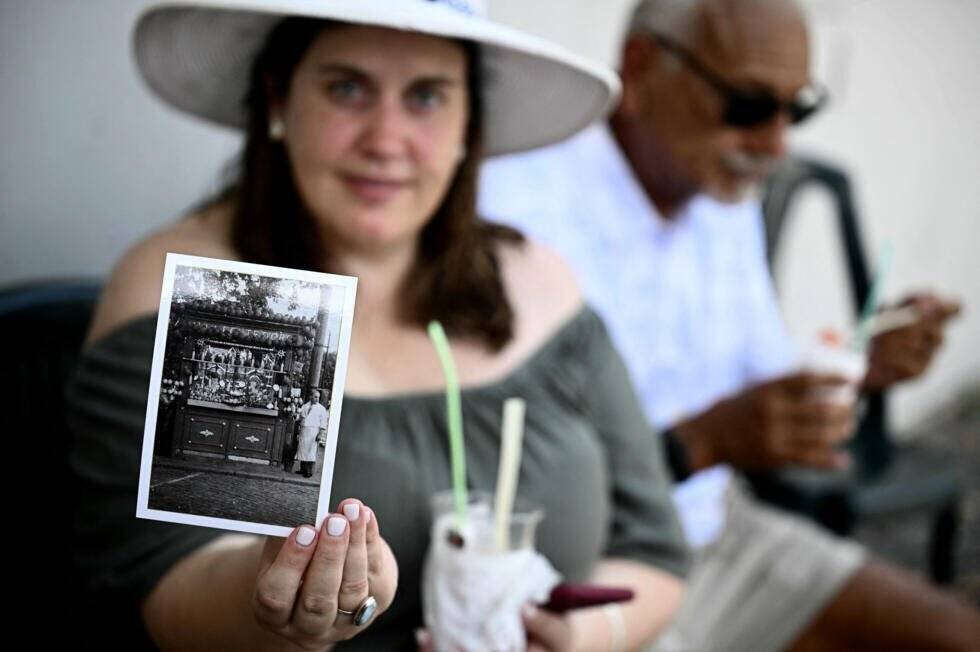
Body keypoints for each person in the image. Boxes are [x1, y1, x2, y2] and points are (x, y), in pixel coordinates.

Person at [68, 0, 689, 649]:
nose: (386, 140)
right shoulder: (226, 289)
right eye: (346, 88)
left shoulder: (534, 279)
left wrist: (579, 637)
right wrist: (292, 606)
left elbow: (653, 548)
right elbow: (166, 583)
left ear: (466, 125)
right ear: (279, 98)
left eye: (425, 97)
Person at [479, 0, 978, 650]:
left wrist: (865, 363)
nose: (776, 144)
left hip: (718, 534)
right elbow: (504, 478)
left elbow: (762, 381)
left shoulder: (718, 192)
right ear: (639, 69)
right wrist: (706, 442)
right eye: (746, 104)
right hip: (579, 570)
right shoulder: (515, 204)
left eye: (796, 109)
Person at [296, 389, 328, 477]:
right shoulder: (305, 406)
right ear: (310, 397)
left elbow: (323, 422)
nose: (317, 399)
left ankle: (309, 471)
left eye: (318, 397)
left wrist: (320, 433)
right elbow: (301, 417)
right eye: (315, 397)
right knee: (303, 450)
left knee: (311, 451)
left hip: (313, 431)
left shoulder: (321, 409)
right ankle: (302, 469)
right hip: (304, 430)